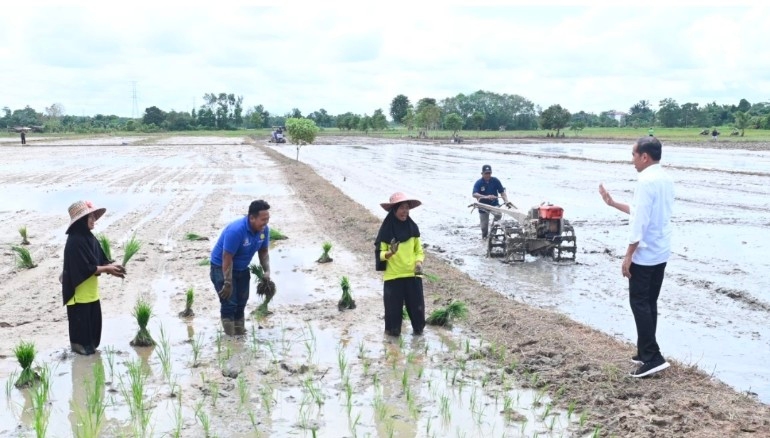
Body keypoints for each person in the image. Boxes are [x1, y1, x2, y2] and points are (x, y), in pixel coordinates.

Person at [598, 136, 674, 378]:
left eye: (633, 155)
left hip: (644, 254)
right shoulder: (665, 179)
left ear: (644, 156)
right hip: (660, 251)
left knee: (639, 303)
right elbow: (643, 211)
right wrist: (612, 203)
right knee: (649, 303)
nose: (632, 160)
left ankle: (652, 357)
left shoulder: (645, 181)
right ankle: (644, 351)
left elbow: (639, 222)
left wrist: (628, 255)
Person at [60, 200, 126, 355]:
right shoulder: (75, 241)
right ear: (82, 220)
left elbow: (98, 259)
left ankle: (90, 351)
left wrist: (111, 268)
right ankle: (79, 349)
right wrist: (107, 268)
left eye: (94, 217)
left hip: (90, 290)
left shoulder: (89, 238)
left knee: (94, 323)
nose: (94, 220)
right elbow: (84, 268)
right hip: (78, 292)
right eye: (90, 217)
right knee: (81, 326)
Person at [210, 200, 271, 336]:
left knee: (241, 302)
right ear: (252, 218)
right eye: (263, 220)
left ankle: (239, 334)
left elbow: (264, 252)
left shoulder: (263, 231)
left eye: (267, 219)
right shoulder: (236, 231)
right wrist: (227, 282)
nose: (265, 223)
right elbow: (227, 257)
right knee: (229, 303)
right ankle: (230, 339)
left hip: (242, 268)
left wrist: (266, 271)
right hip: (221, 267)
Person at [375, 192, 425, 337]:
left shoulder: (413, 228)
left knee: (418, 312)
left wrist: (419, 262)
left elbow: (419, 251)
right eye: (402, 208)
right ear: (394, 210)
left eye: (407, 208)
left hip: (414, 274)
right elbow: (380, 254)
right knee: (393, 319)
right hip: (393, 276)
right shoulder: (386, 231)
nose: (405, 211)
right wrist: (391, 252)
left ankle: (419, 338)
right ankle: (392, 346)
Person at [472, 164, 514, 239]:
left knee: (498, 215)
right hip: (483, 205)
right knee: (484, 227)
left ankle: (492, 232)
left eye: (489, 173)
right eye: (486, 173)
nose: (488, 175)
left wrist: (506, 201)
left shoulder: (495, 181)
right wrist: (486, 197)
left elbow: (502, 192)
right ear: (482, 173)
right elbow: (474, 194)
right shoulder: (478, 183)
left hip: (494, 204)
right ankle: (484, 238)